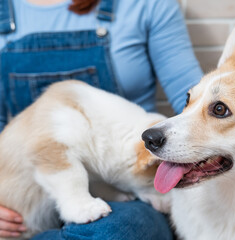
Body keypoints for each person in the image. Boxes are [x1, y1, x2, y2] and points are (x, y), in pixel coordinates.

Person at [0, 0, 203, 239]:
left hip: (119, 196)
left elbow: (196, 101)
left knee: (109, 232)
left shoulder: (147, 4)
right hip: (22, 211)